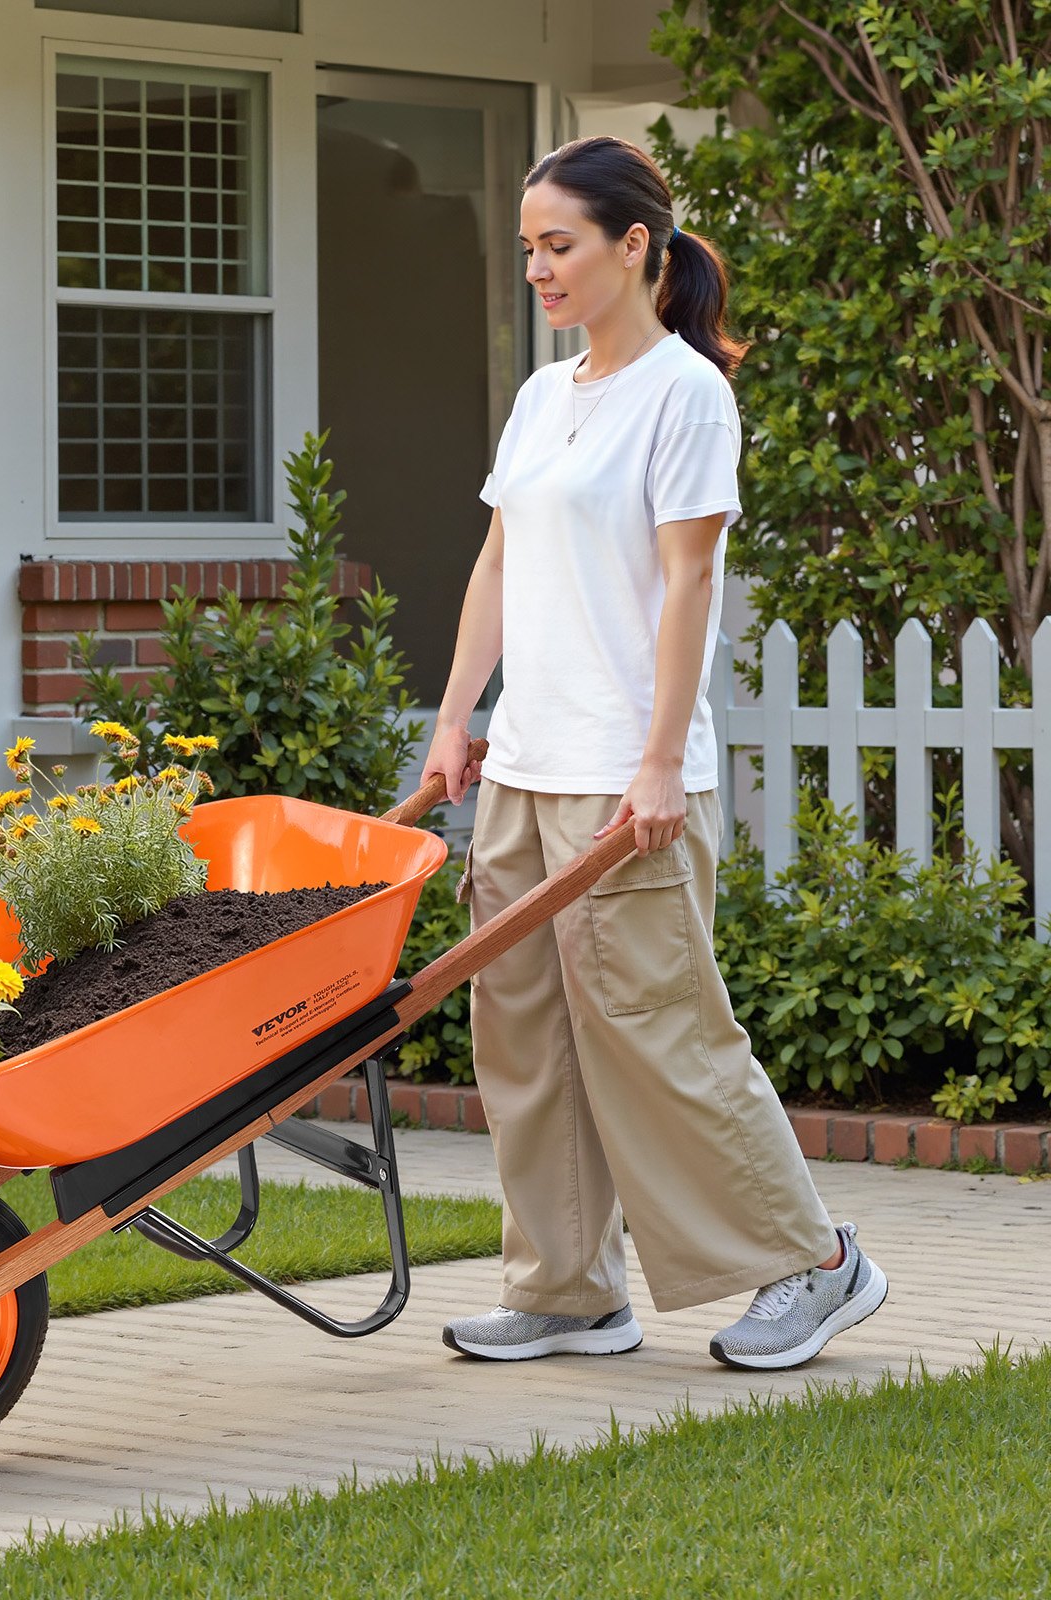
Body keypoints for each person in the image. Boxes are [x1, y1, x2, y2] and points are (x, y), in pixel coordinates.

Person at [424, 135, 888, 1371]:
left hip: (626, 777)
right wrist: (456, 715)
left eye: (558, 245)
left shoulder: (686, 395)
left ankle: (815, 1263)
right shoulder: (542, 397)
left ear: (633, 245)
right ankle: (567, 1291)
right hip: (525, 769)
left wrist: (657, 760)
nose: (537, 268)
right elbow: (498, 562)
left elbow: (689, 588)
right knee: (523, 1042)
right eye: (527, 248)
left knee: (660, 1033)